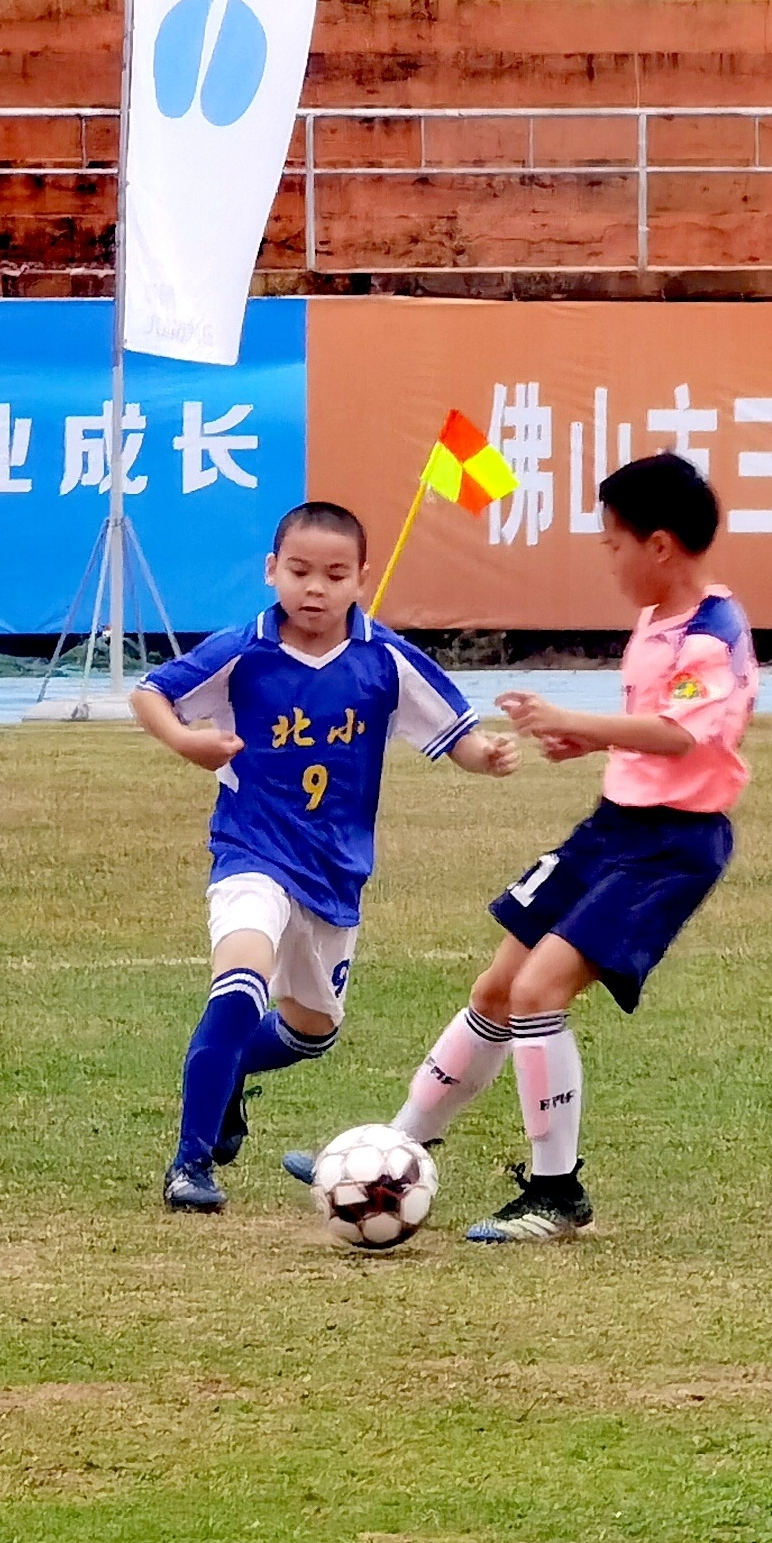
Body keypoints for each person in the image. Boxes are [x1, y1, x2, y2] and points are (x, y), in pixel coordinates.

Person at [301, 452, 751, 1245]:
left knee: (541, 991)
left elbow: (682, 734)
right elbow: (652, 731)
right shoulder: (657, 624)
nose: (607, 560)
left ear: (659, 545)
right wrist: (590, 747)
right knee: (499, 985)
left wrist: (572, 720)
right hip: (614, 826)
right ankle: (400, 1148)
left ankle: (556, 1192)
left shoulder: (713, 634)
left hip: (671, 846)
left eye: (613, 543)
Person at [130, 501, 520, 1214]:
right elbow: (152, 693)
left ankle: (229, 1081)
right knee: (239, 980)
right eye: (300, 571)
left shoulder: (384, 659)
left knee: (314, 1029)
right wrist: (186, 742)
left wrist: (484, 755)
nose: (315, 588)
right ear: (271, 570)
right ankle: (190, 1164)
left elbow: (454, 731)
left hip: (335, 873)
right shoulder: (244, 651)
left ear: (362, 580)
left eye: (335, 574)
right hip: (251, 852)